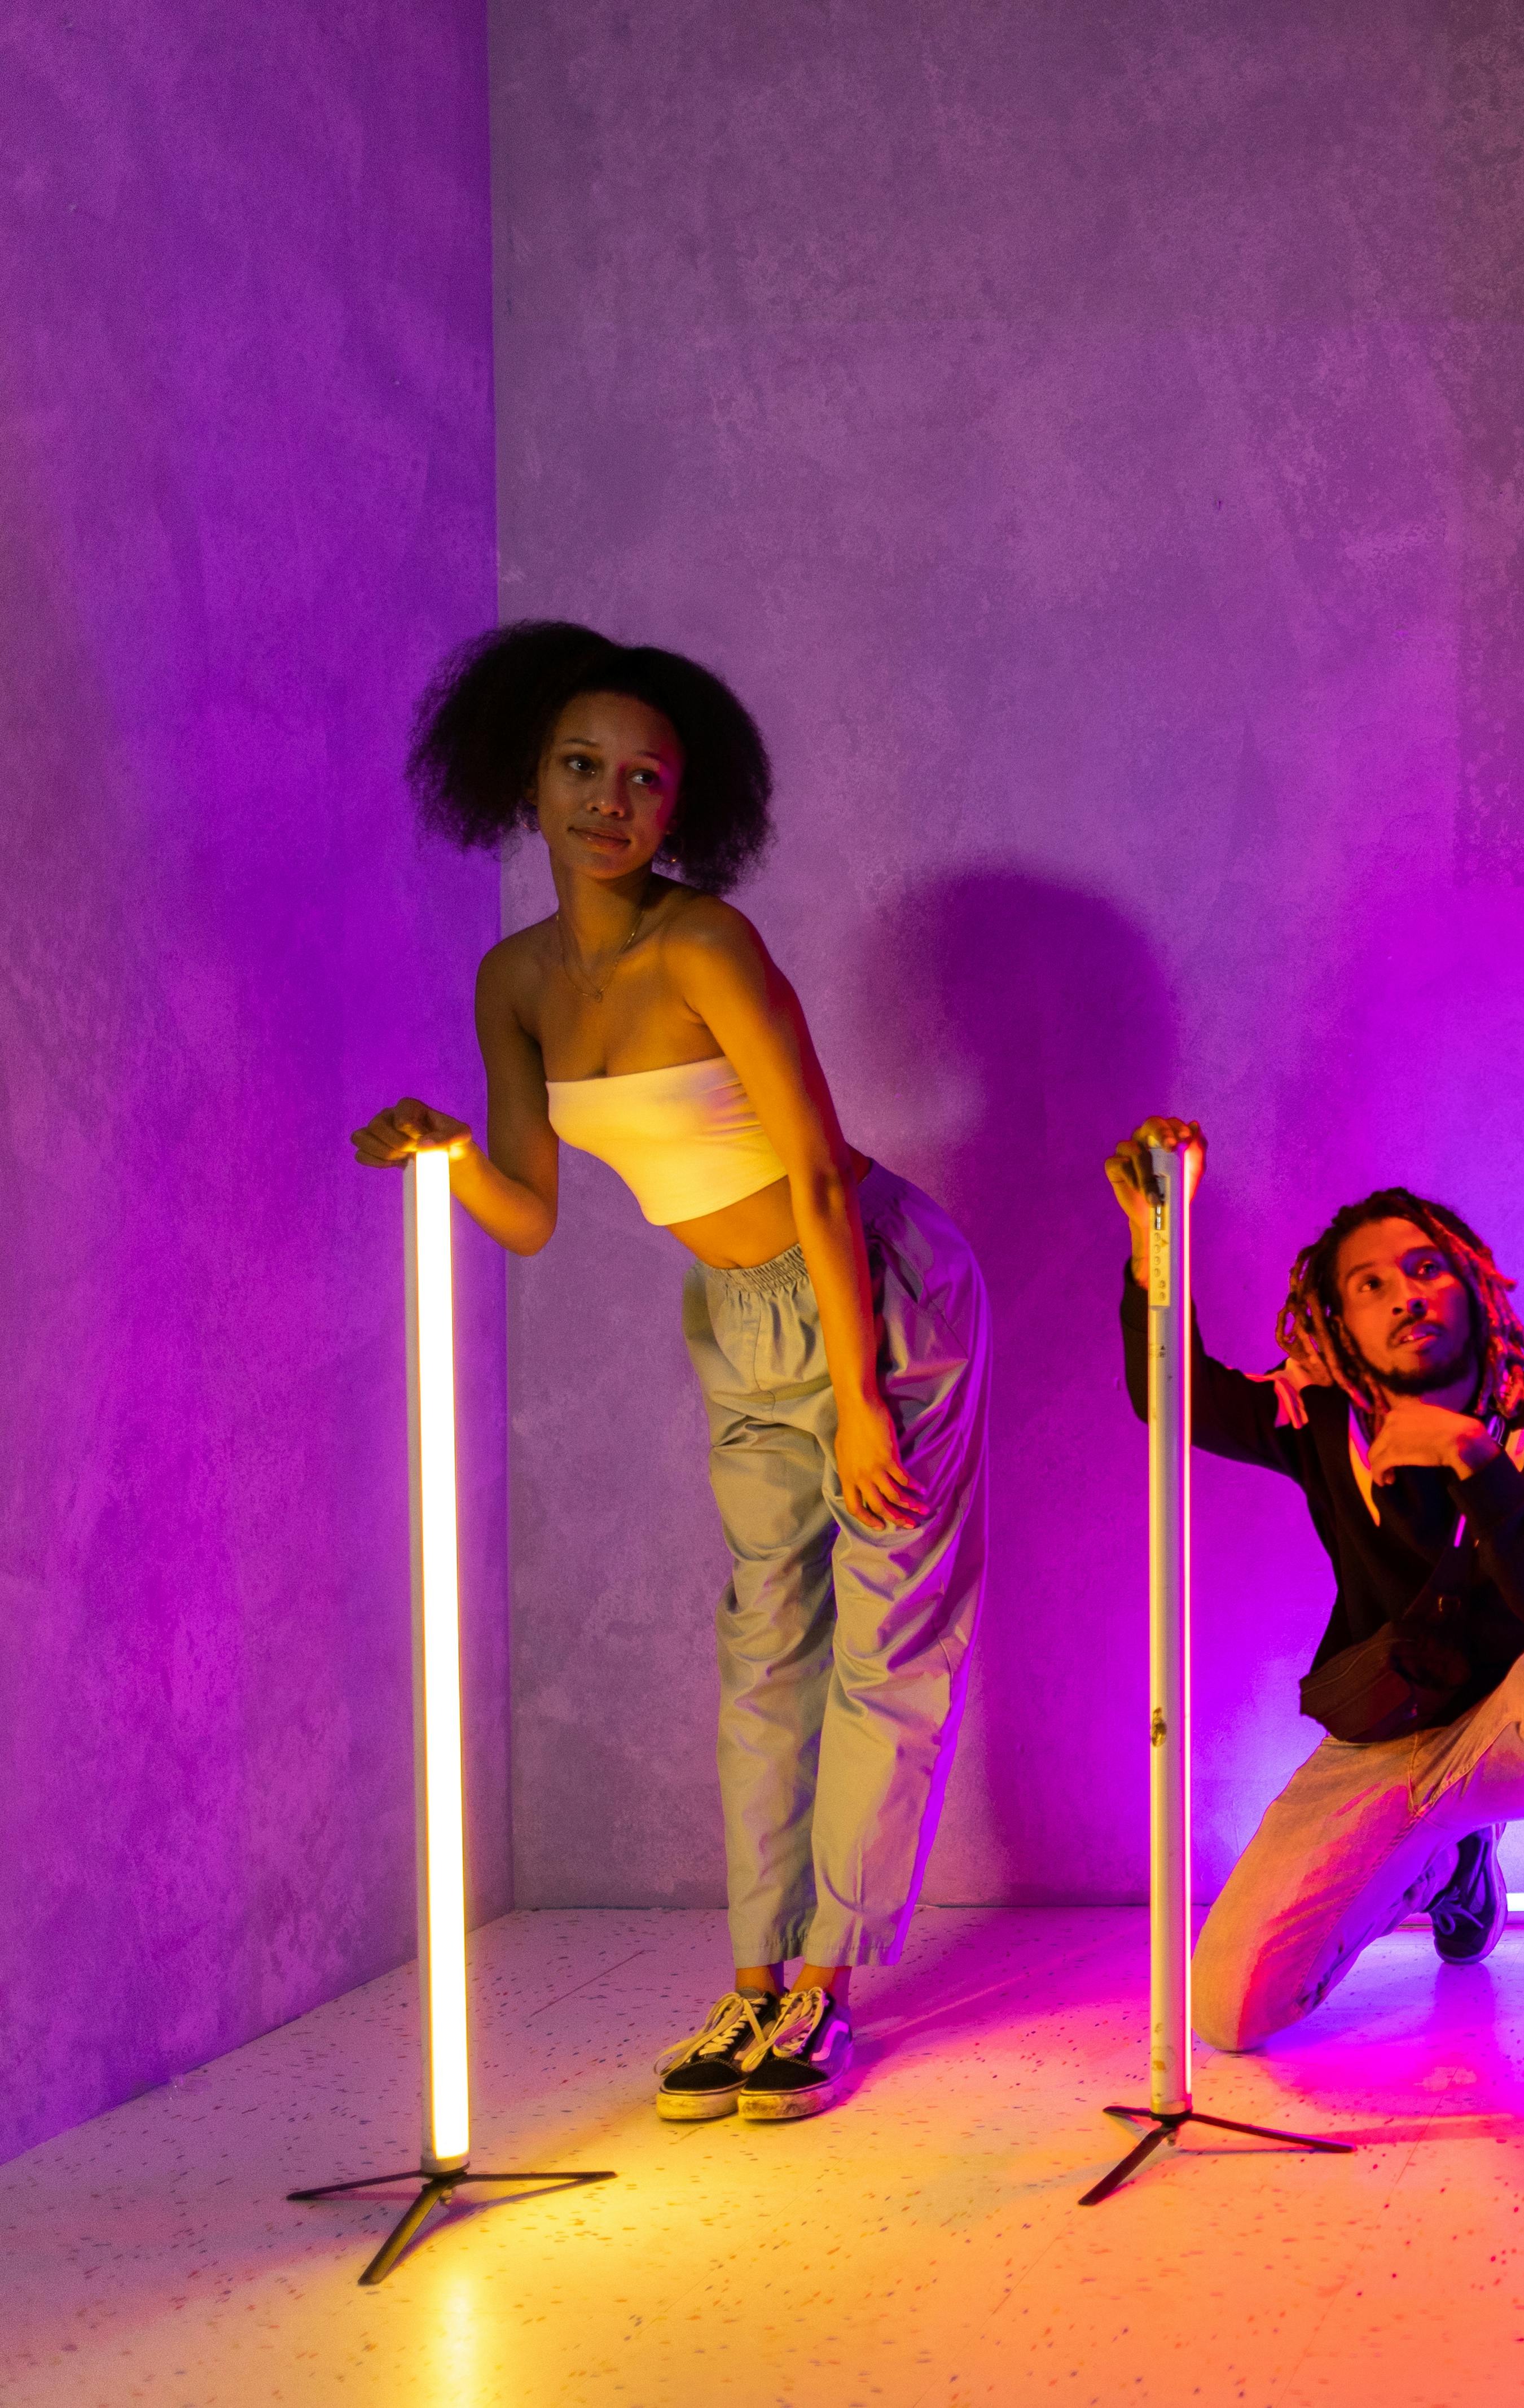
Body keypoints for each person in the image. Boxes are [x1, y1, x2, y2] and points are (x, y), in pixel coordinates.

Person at [353, 622, 989, 2126]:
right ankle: (758, 1975)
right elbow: (529, 1207)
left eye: (644, 778)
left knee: (885, 1641)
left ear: (680, 808)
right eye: (582, 765)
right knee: (763, 1642)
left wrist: (856, 1394)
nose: (609, 800)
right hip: (730, 1312)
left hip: (874, 1294)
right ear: (529, 771)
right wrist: (444, 1151)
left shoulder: (706, 945)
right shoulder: (516, 979)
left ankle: (829, 1987)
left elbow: (823, 1180)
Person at [1105, 1121, 1524, 2205]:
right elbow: (1168, 1400)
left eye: (1422, 1268)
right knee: (1230, 2015)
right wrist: (1151, 1246)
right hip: (1383, 1736)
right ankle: (1442, 1863)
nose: (1403, 1294)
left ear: (1470, 1288)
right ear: (1340, 1326)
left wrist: (1470, 1460)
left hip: (1507, 1718)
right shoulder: (1322, 1413)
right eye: (1368, 1286)